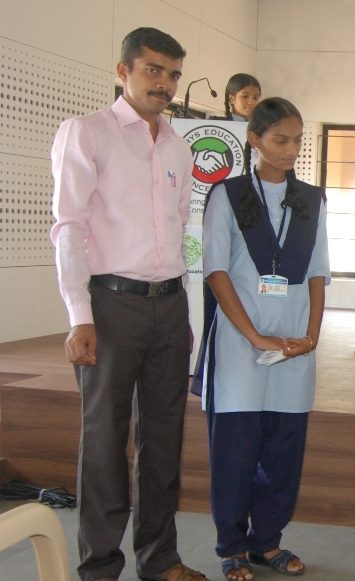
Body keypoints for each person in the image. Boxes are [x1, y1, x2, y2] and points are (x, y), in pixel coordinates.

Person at [50, 27, 207, 581]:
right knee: (104, 440)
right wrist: (79, 315)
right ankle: (99, 566)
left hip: (169, 306)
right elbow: (68, 226)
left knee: (164, 437)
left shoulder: (178, 145)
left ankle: (160, 557)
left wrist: (187, 308)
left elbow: (181, 226)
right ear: (124, 71)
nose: (163, 84)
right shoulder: (87, 134)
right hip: (110, 307)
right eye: (153, 70)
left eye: (172, 74)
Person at [193, 97, 328, 581]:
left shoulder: (312, 199)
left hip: (294, 348)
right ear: (255, 139)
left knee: (283, 451)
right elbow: (216, 270)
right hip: (239, 346)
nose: (291, 150)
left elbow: (317, 273)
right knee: (235, 450)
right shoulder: (227, 195)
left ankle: (266, 542)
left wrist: (310, 336)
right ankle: (231, 545)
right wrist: (254, 335)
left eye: (297, 140)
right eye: (280, 140)